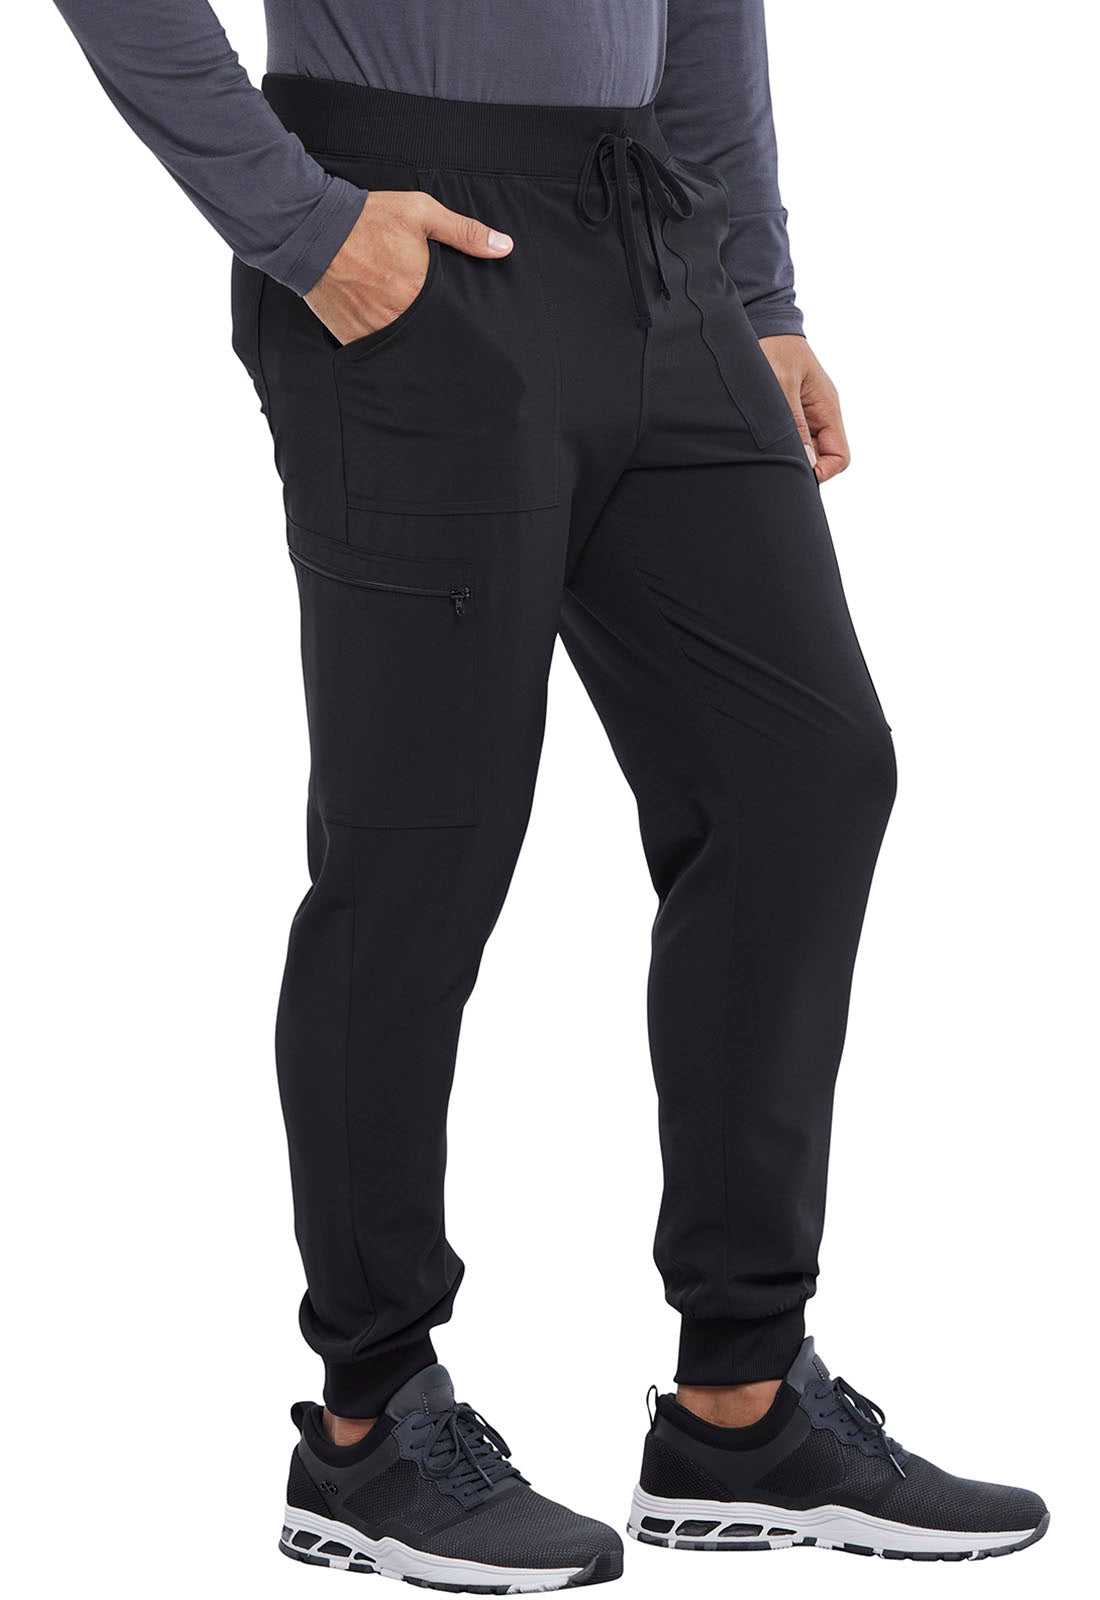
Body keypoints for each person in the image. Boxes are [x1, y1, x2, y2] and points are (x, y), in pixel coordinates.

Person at [53, 0, 1048, 1586]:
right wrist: (301, 225)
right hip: (414, 237)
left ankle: (741, 1403)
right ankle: (370, 1426)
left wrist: (758, 293)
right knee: (424, 843)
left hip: (657, 241)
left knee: (804, 775)